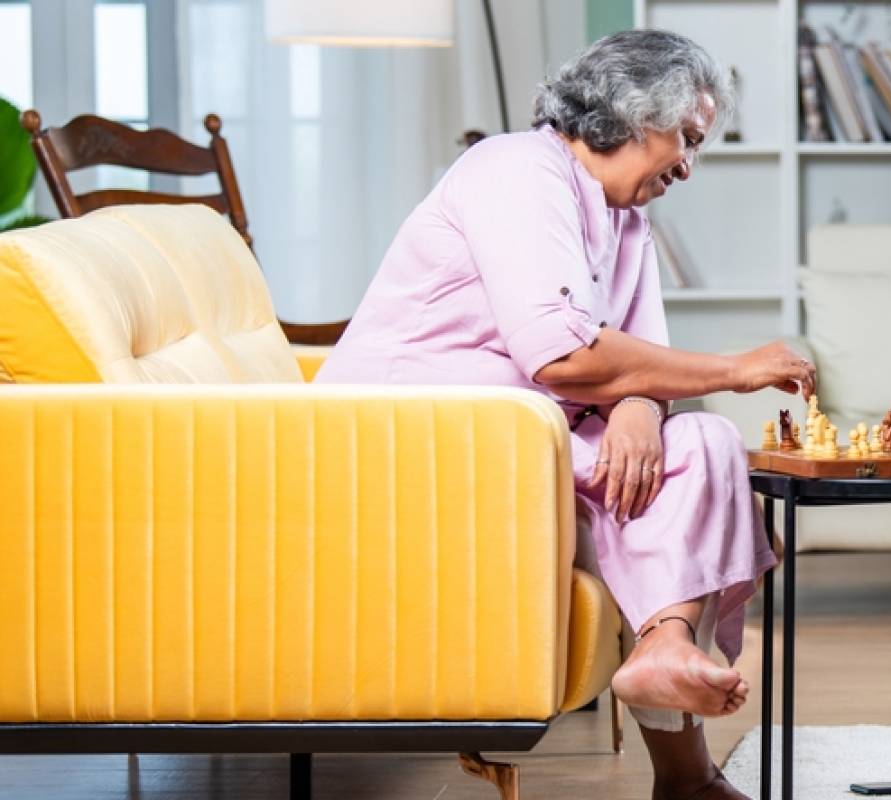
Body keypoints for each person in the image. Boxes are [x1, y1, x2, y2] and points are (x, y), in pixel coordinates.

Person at [317, 30, 814, 800]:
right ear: (631, 115)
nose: (688, 165)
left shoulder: (626, 220)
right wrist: (735, 370)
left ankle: (669, 671)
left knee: (708, 442)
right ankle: (680, 727)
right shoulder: (516, 169)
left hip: (524, 431)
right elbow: (561, 354)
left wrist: (642, 411)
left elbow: (641, 356)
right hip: (415, 430)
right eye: (684, 138)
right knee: (697, 440)